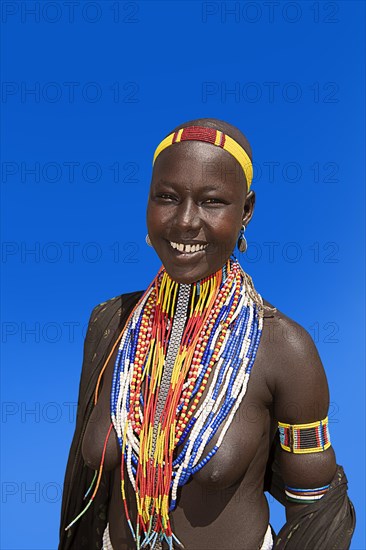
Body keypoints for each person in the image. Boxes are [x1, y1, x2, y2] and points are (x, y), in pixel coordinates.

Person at [59, 119, 355, 550]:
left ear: (246, 212)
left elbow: (316, 506)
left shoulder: (285, 349)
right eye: (166, 197)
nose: (184, 222)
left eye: (212, 202)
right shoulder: (111, 324)